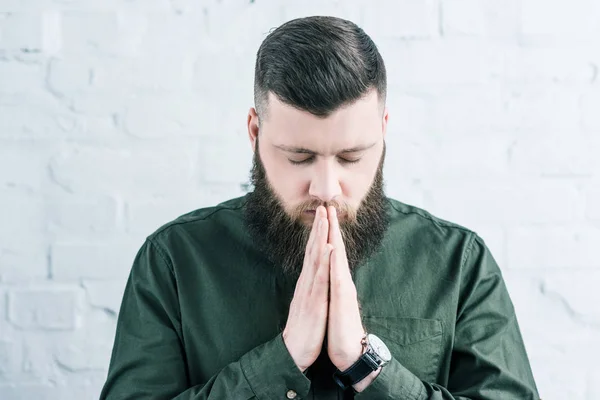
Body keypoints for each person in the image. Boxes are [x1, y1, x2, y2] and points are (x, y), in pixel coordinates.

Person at [99, 16, 540, 399]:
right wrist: (283, 359)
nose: (327, 187)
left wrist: (365, 365)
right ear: (255, 132)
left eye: (351, 157)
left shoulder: (458, 262)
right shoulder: (175, 260)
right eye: (299, 157)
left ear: (383, 132)